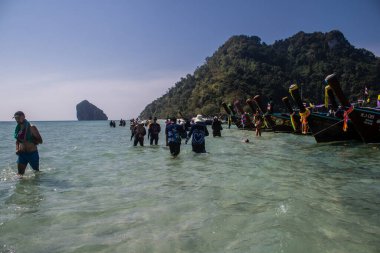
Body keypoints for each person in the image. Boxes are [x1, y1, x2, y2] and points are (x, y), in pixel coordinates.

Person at [13, 111, 43, 177]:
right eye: (15, 118)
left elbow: (40, 141)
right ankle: (20, 187)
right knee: (20, 175)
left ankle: (36, 186)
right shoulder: (18, 128)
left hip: (32, 154)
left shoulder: (32, 127)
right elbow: (17, 141)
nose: (16, 120)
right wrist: (17, 149)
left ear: (23, 117)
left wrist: (32, 139)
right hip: (22, 154)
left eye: (18, 118)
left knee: (36, 172)